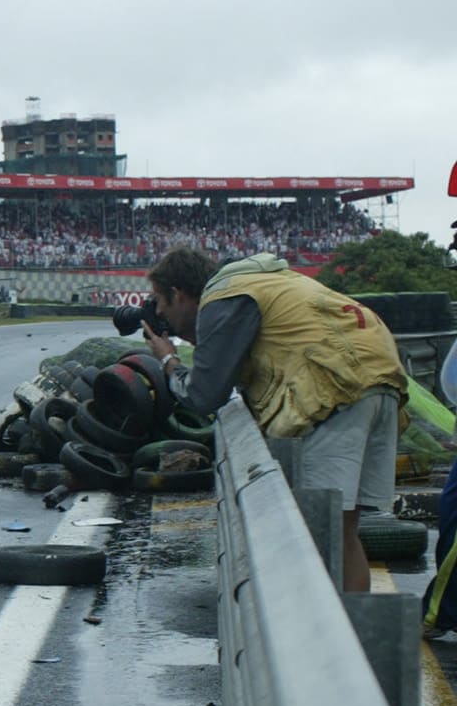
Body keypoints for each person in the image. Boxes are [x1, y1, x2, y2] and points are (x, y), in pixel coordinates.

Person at [140, 246, 406, 593]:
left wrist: (167, 360)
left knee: (316, 536)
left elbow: (204, 395)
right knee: (340, 535)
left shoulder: (224, 295)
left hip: (333, 392)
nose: (160, 314)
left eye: (160, 302)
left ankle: (317, 640)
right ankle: (350, 637)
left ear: (178, 293)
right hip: (381, 382)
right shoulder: (264, 280)